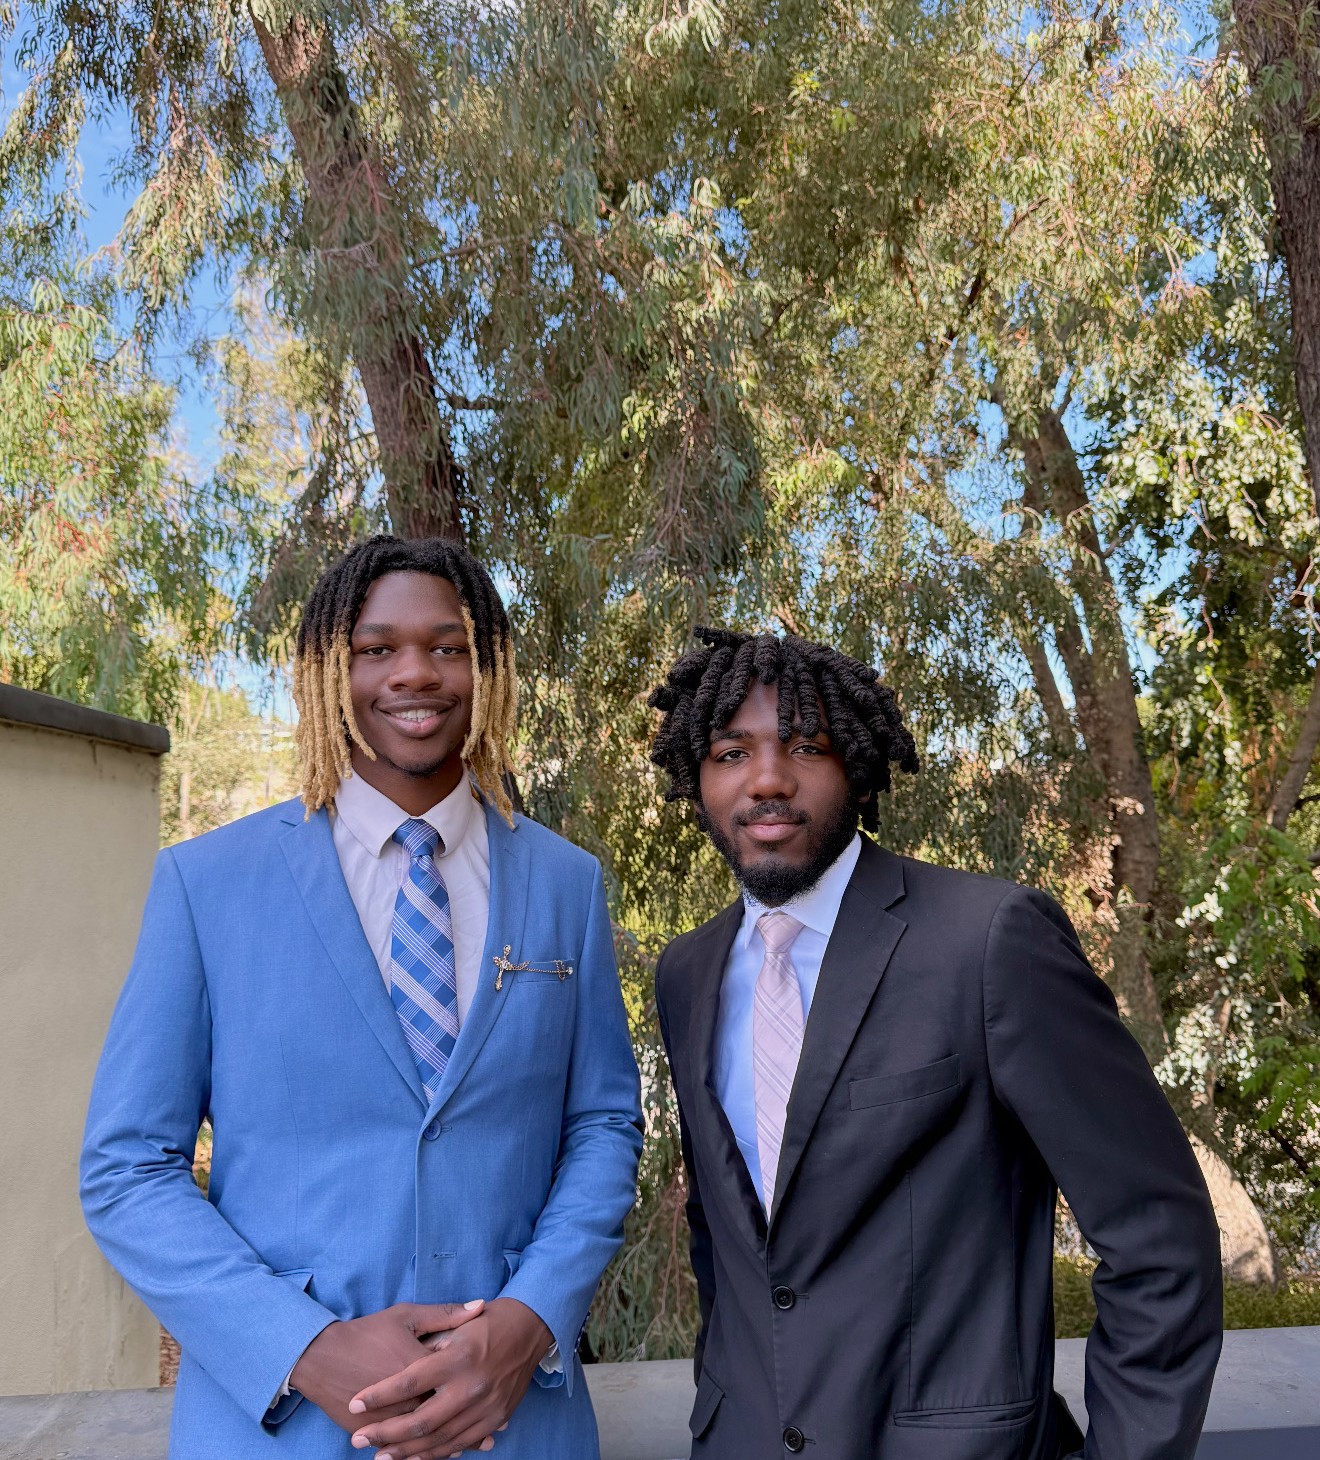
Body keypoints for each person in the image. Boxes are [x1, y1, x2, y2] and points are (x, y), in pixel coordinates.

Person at [81, 535, 642, 1460]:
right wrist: (301, 1347)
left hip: (515, 1425)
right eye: (376, 648)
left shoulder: (565, 882)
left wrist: (528, 1323)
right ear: (326, 673)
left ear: (490, 670)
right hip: (283, 1432)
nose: (414, 673)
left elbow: (603, 1124)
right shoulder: (205, 884)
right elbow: (128, 1168)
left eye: (449, 646)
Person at [647, 626, 1222, 1460]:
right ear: (696, 779)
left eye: (805, 746)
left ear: (858, 769)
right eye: (731, 753)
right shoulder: (686, 974)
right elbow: (726, 1242)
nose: (767, 779)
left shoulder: (989, 942)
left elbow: (1159, 1239)